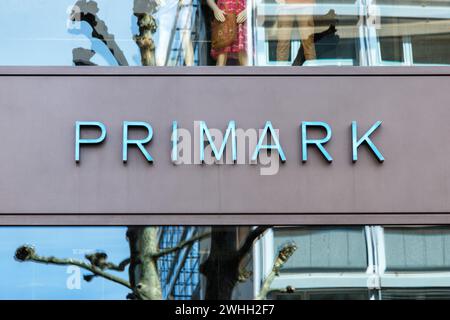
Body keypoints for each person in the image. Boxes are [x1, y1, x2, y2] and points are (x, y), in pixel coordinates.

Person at [207, 0, 248, 66]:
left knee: (243, 53)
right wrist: (216, 10)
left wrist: (247, 11)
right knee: (222, 54)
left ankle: (248, 75)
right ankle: (219, 75)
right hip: (224, 17)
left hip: (240, 17)